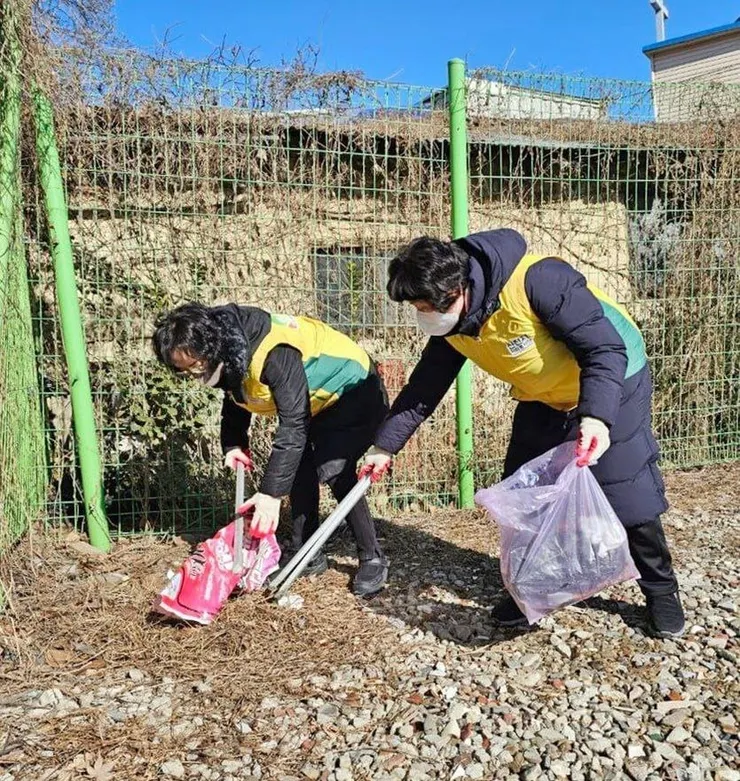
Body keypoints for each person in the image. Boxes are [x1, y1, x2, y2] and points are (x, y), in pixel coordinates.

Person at [361, 229, 685, 638]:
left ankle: (661, 591)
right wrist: (384, 446)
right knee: (524, 495)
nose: (422, 314)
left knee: (627, 493)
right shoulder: (455, 325)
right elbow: (424, 389)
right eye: (416, 307)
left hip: (612, 382)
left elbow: (603, 350)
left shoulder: (539, 281)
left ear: (457, 289)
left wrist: (596, 418)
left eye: (425, 306)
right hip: (541, 395)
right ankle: (530, 590)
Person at [153, 302, 389, 596]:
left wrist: (271, 494)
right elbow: (236, 390)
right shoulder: (230, 346)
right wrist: (234, 442)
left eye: (196, 365)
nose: (194, 373)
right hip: (317, 400)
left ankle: (372, 556)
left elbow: (293, 423)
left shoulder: (274, 352)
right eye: (185, 370)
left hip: (356, 388)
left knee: (333, 467)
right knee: (298, 466)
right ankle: (307, 552)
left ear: (210, 344)